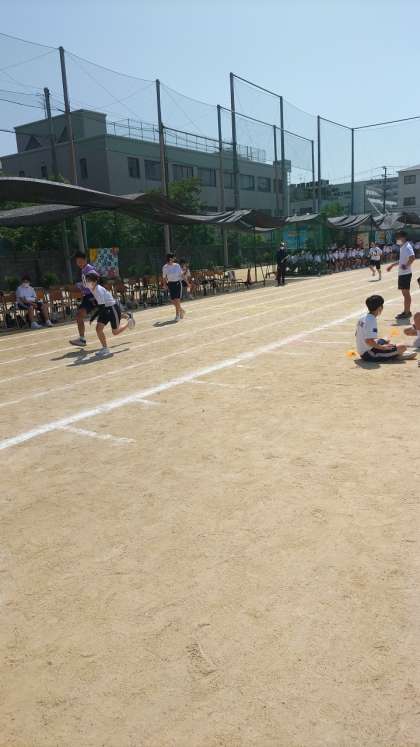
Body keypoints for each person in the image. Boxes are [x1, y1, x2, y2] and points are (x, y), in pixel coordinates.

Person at [85, 272, 135, 358]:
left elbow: (101, 307)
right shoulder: (92, 288)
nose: (87, 282)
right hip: (105, 309)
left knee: (115, 332)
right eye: (87, 280)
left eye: (89, 280)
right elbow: (101, 305)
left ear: (95, 281)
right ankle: (105, 348)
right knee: (98, 329)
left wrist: (93, 317)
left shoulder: (98, 290)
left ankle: (129, 322)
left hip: (112, 308)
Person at [355, 294, 412, 362]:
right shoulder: (371, 320)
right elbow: (369, 341)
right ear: (380, 308)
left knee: (386, 339)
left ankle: (392, 352)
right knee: (403, 347)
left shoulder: (363, 317)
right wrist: (382, 347)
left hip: (363, 349)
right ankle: (394, 355)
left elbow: (357, 334)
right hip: (369, 354)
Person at [69, 251, 98, 347]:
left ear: (85, 260)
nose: (79, 264)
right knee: (79, 316)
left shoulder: (89, 270)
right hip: (89, 296)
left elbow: (93, 282)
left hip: (92, 296)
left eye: (81, 261)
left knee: (79, 315)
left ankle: (82, 339)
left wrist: (80, 286)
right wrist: (80, 285)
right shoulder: (84, 270)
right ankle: (82, 339)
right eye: (77, 262)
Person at [386, 230, 416, 319]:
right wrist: (392, 265)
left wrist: (406, 266)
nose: (397, 239)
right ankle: (406, 311)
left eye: (398, 237)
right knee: (404, 293)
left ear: (403, 237)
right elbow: (402, 260)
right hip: (403, 274)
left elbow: (412, 257)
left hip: (405, 274)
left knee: (406, 294)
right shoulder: (403, 247)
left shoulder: (407, 246)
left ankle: (407, 312)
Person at [162, 253, 185, 321]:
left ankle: (177, 315)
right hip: (170, 284)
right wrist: (165, 285)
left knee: (177, 300)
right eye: (173, 257)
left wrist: (187, 283)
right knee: (172, 300)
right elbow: (164, 277)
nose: (174, 259)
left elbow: (181, 275)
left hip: (177, 283)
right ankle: (181, 310)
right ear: (170, 258)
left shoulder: (177, 265)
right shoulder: (165, 267)